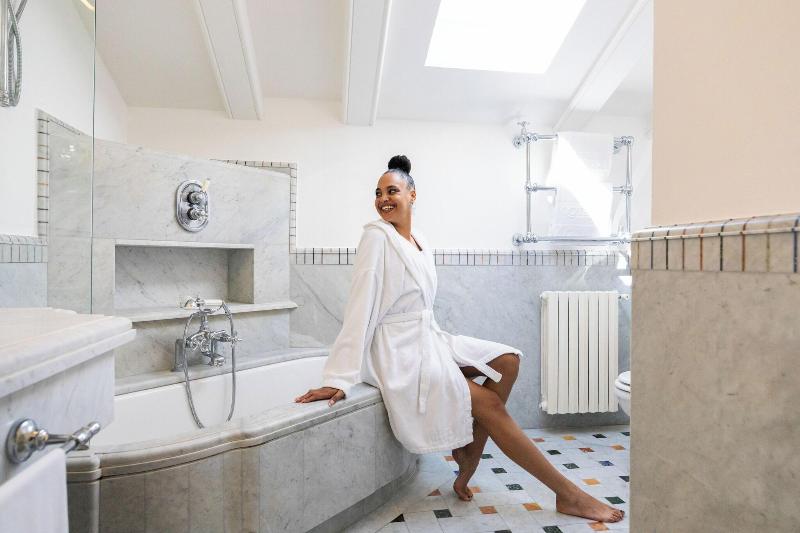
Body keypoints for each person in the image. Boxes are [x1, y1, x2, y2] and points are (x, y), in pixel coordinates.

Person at [294, 155, 624, 523]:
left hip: (426, 337)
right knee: (489, 404)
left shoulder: (419, 241)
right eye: (378, 193)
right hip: (398, 352)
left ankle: (469, 450)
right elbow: (360, 305)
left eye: (392, 191)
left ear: (412, 195)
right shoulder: (376, 237)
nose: (383, 199)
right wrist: (339, 377)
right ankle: (567, 494)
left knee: (507, 362)